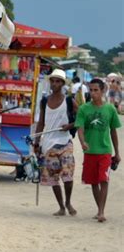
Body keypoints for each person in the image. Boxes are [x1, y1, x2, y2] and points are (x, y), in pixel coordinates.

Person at [75, 78, 121, 223]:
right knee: (94, 182)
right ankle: (99, 209)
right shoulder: (84, 109)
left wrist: (117, 152)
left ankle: (101, 212)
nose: (93, 93)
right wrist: (83, 142)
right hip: (89, 152)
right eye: (91, 90)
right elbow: (80, 128)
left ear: (103, 91)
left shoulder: (110, 109)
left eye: (96, 90)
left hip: (105, 151)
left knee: (104, 180)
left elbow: (113, 132)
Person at [34, 68, 77, 216]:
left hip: (65, 141)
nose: (54, 83)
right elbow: (41, 122)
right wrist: (36, 142)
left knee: (68, 175)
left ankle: (68, 202)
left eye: (58, 81)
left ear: (63, 83)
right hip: (49, 144)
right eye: (52, 81)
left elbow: (80, 119)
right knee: (53, 177)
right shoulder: (45, 101)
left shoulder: (69, 101)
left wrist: (70, 126)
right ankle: (61, 206)